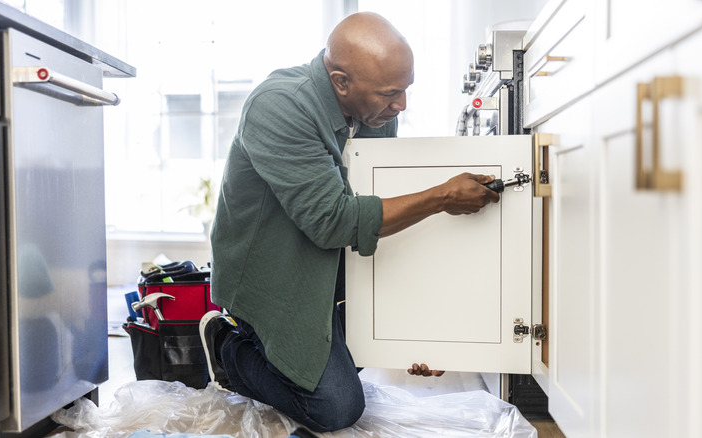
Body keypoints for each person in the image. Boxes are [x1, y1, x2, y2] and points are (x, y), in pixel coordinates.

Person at [201, 12, 500, 433]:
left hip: (332, 268)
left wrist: (420, 336)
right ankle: (228, 348)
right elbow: (334, 223)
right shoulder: (280, 106)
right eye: (390, 93)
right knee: (335, 407)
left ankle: (319, 347)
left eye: (406, 89)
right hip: (273, 274)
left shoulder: (376, 114)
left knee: (350, 369)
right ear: (341, 81)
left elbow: (377, 210)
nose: (401, 106)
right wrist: (441, 196)